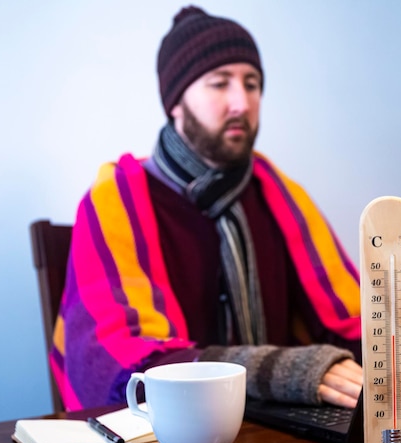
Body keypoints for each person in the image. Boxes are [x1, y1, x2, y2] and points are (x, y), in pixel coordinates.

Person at [50, 5, 362, 411]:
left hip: (278, 439)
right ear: (176, 102)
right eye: (220, 84)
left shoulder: (279, 194)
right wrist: (279, 371)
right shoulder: (116, 198)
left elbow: (352, 321)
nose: (241, 102)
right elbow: (121, 366)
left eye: (252, 84)